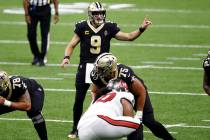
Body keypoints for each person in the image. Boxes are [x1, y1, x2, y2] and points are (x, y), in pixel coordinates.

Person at [60, 2, 152, 138]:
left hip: (103, 70)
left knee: (103, 98)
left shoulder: (109, 27)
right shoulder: (82, 27)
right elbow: (71, 44)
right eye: (96, 13)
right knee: (79, 99)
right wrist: (66, 57)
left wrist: (141, 29)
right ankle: (75, 128)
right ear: (90, 14)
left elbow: (128, 37)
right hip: (85, 67)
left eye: (101, 12)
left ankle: (103, 124)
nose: (99, 15)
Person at [90, 53, 176, 140]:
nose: (98, 71)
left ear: (111, 69)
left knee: (149, 121)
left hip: (135, 94)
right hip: (118, 97)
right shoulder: (96, 75)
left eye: (101, 69)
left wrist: (139, 113)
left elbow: (141, 91)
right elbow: (94, 91)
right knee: (129, 124)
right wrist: (94, 103)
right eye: (98, 68)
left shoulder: (124, 72)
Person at [78, 78, 142, 140]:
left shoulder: (99, 97)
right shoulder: (123, 94)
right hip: (101, 121)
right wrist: (138, 117)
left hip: (82, 127)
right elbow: (129, 117)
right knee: (136, 122)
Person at [0, 71, 48, 140]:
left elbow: (27, 106)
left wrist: (5, 102)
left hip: (33, 92)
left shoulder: (17, 83)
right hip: (11, 97)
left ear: (6, 84)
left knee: (34, 113)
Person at [23, 0, 59, 66]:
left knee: (45, 34)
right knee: (31, 34)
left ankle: (42, 57)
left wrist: (56, 12)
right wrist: (26, 14)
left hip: (45, 9)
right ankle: (36, 55)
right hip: (32, 8)